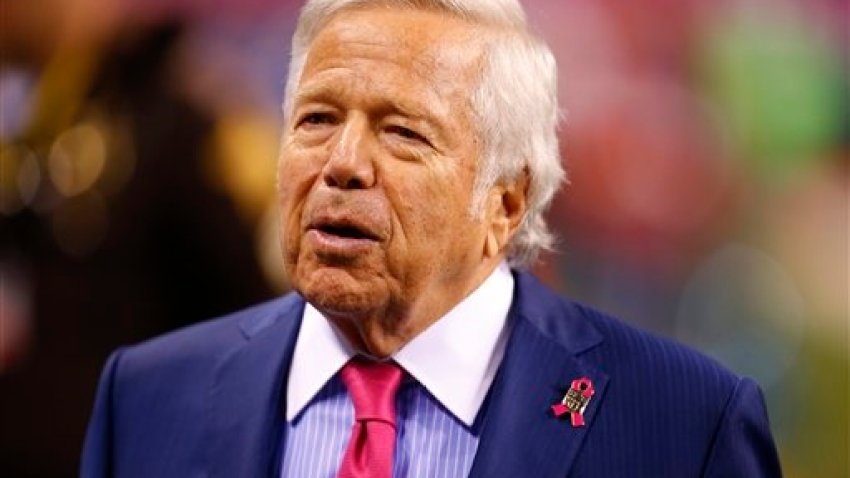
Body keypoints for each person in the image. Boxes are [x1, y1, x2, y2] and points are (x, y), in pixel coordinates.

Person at [81, 0, 782, 476]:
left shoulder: (687, 426)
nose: (342, 165)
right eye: (317, 119)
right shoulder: (143, 399)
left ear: (505, 201)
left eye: (403, 132)